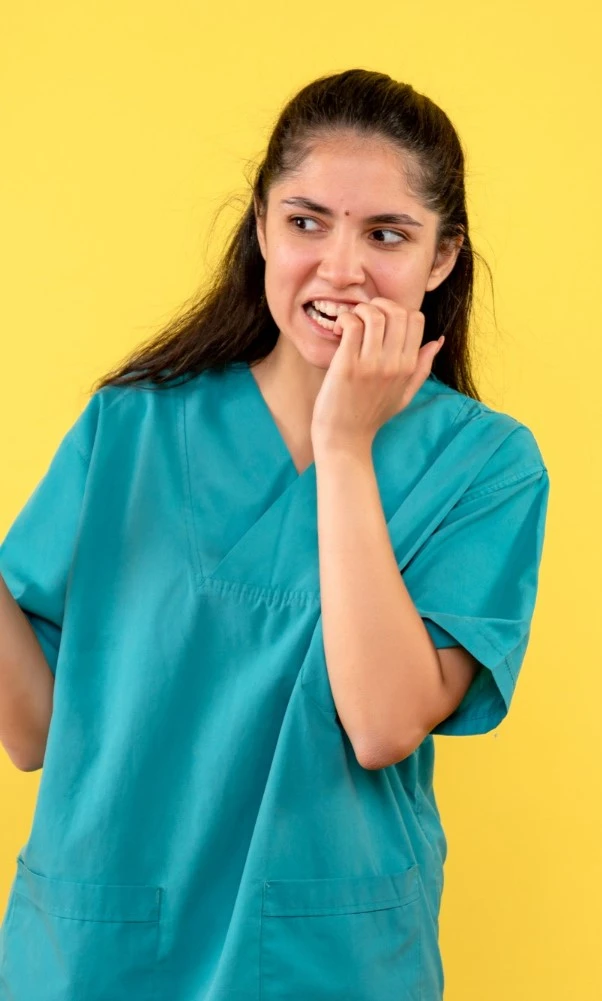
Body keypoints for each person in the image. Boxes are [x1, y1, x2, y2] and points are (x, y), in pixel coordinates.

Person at [0, 68, 549, 1000]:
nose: (340, 266)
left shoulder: (484, 466)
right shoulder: (130, 427)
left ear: (442, 258)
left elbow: (380, 724)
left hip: (321, 963)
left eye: (387, 234)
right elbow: (31, 730)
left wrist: (344, 444)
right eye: (306, 221)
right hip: (97, 957)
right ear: (259, 228)